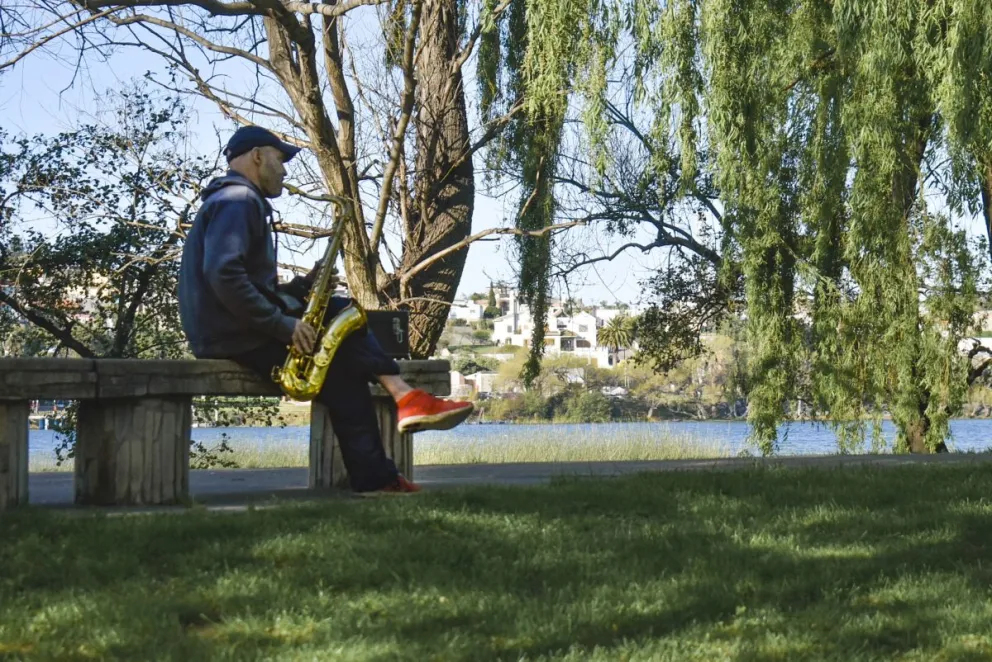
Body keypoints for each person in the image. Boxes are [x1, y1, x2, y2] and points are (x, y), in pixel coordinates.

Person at [178, 126, 474, 495]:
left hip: (226, 328)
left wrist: (302, 287)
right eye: (279, 159)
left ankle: (378, 479)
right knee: (340, 312)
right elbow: (223, 275)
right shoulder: (238, 201)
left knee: (342, 372)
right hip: (233, 334)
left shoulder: (230, 200)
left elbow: (241, 283)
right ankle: (405, 397)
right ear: (257, 156)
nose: (285, 170)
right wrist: (282, 325)